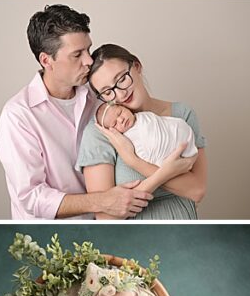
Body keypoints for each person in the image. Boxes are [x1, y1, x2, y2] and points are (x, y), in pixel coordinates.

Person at [0, 5, 162, 218]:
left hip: (112, 222)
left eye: (88, 50)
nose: (89, 61)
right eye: (77, 55)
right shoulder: (18, 116)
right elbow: (30, 197)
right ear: (47, 60)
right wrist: (102, 202)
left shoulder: (100, 93)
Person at [78, 44, 207, 219]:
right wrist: (165, 172)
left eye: (122, 79)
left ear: (137, 66)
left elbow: (197, 190)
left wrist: (135, 161)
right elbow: (106, 219)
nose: (121, 93)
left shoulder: (182, 114)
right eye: (108, 92)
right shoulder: (101, 133)